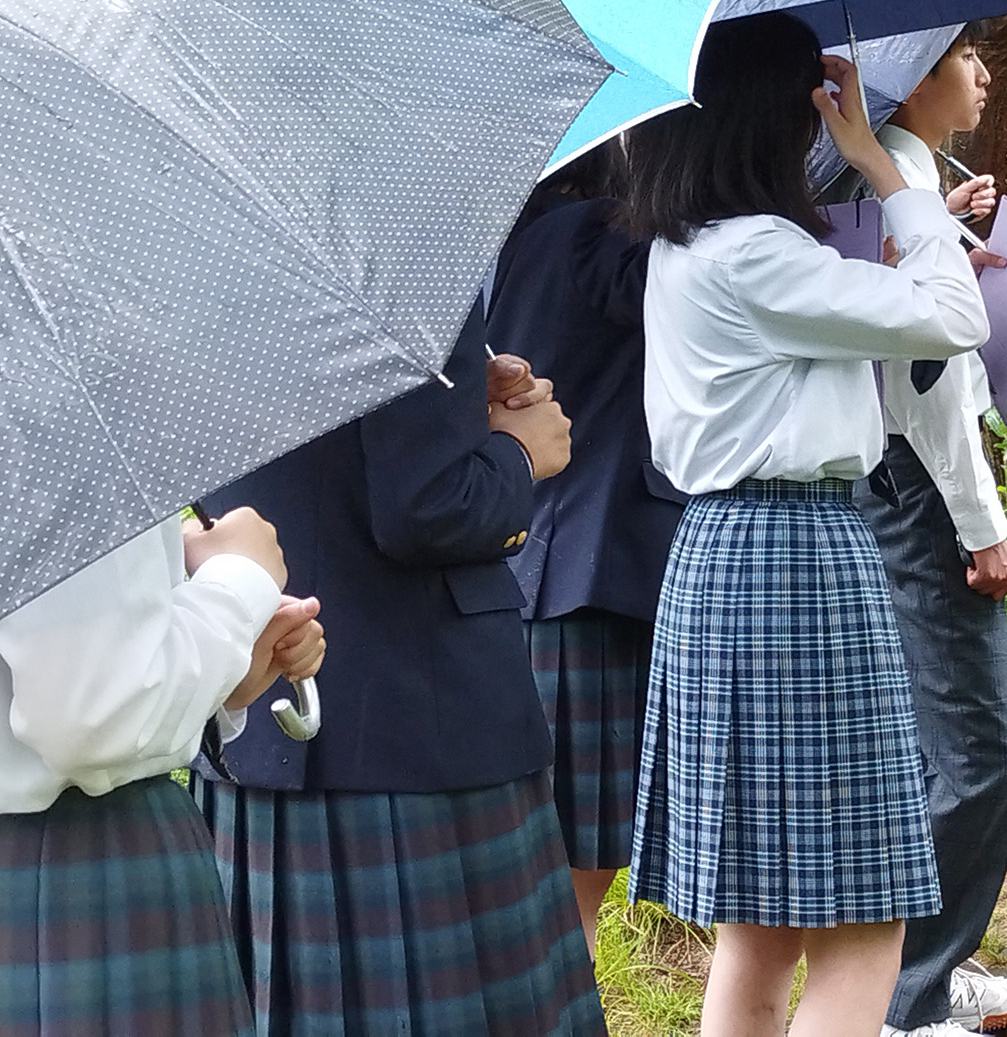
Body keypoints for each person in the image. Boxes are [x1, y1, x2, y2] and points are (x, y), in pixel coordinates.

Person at [623, 12, 989, 1037]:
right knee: (865, 924)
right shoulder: (759, 255)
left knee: (758, 929)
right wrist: (880, 165)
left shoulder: (690, 249)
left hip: (722, 557)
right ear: (777, 116)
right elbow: (958, 319)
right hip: (796, 559)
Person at [194, 315, 603, 1036]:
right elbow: (427, 506)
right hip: (420, 716)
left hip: (262, 693)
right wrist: (517, 454)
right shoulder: (400, 273)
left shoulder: (195, 272)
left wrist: (459, 400)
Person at [850, 30, 1007, 1037]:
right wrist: (982, 528)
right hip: (920, 485)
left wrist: (945, 221)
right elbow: (924, 388)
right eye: (966, 58)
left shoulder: (909, 170)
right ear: (920, 71)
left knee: (945, 747)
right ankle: (904, 998)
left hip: (901, 479)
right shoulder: (894, 172)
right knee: (978, 755)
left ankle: (924, 972)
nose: (985, 73)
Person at [0, 507, 320, 1036]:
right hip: (88, 860)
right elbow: (95, 714)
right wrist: (240, 580)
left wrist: (223, 674)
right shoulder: (64, 460)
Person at [487, 148, 686, 954]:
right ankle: (559, 1005)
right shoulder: (595, 233)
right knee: (570, 868)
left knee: (551, 862)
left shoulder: (509, 235)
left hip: (538, 563)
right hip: (591, 573)